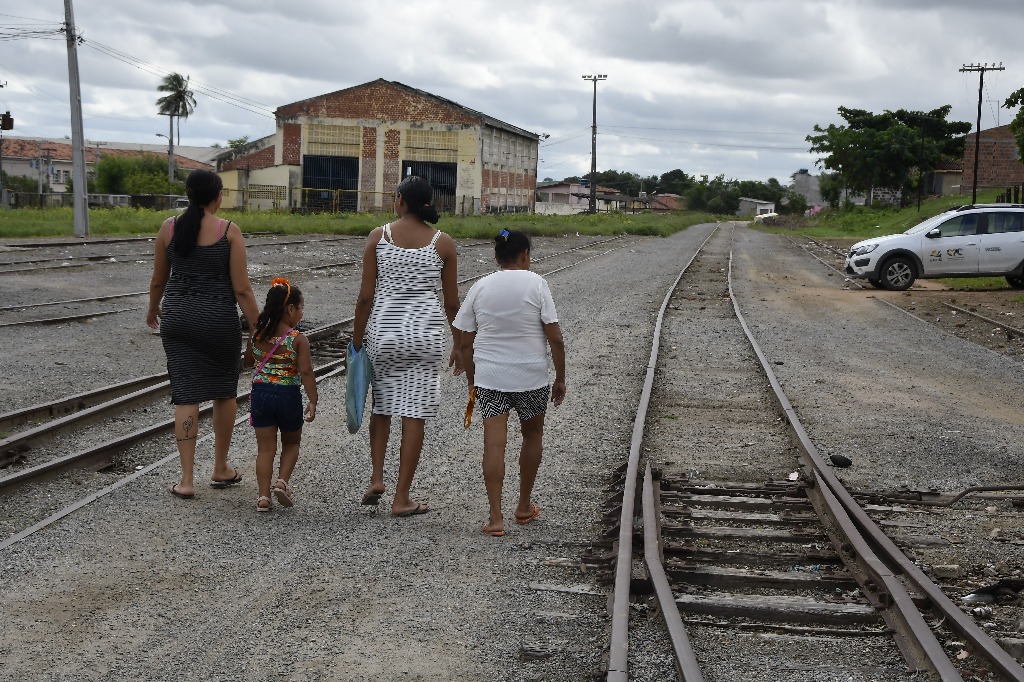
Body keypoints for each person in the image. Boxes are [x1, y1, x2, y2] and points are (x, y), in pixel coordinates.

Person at [352, 175, 462, 517]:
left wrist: (357, 341)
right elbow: (452, 304)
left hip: (384, 334)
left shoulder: (378, 236)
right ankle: (402, 499)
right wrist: (459, 345)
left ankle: (376, 478)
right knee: (414, 414)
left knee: (382, 407)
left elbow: (365, 297)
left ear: (399, 200)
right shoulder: (443, 243)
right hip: (425, 336)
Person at [147, 169, 260, 499]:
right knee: (224, 392)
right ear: (217, 196)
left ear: (188, 193)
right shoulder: (228, 231)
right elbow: (242, 289)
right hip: (217, 322)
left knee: (186, 394)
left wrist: (154, 309)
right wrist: (258, 327)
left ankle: (185, 480)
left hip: (177, 320)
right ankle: (220, 467)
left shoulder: (168, 228)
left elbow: (158, 281)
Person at [453, 229, 566, 537]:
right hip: (532, 377)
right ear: (526, 255)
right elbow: (554, 337)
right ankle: (524, 506)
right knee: (532, 436)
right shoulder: (537, 284)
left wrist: (474, 384)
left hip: (491, 378)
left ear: (497, 257)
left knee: (494, 444)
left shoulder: (480, 286)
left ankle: (495, 518)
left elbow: (465, 343)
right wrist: (561, 378)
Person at [245, 277, 318, 512]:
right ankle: (282, 482)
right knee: (292, 442)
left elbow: (249, 360)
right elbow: (306, 371)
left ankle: (263, 497)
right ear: (290, 309)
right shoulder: (298, 339)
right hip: (288, 395)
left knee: (265, 449)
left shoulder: (256, 335)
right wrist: (313, 400)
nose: (301, 313)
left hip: (261, 395)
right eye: (300, 308)